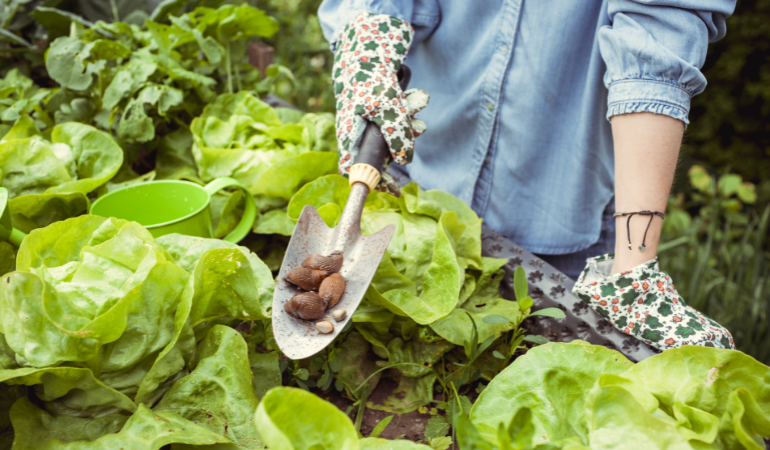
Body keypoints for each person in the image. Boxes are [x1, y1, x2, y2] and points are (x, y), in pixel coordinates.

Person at [317, 1, 736, 351]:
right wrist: (367, 51)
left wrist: (633, 269)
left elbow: (657, 42)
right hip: (417, 181)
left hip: (565, 216)